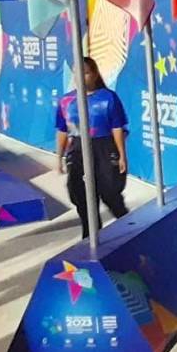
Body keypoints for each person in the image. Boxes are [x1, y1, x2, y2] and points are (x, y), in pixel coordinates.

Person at [55, 57, 129, 238]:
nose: (81, 77)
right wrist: (59, 157)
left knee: (110, 193)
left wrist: (121, 155)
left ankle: (129, 229)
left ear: (95, 74)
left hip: (104, 148)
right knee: (81, 195)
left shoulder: (109, 97)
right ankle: (90, 236)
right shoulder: (66, 101)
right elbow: (62, 130)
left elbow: (117, 127)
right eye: (76, 73)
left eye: (86, 73)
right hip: (78, 149)